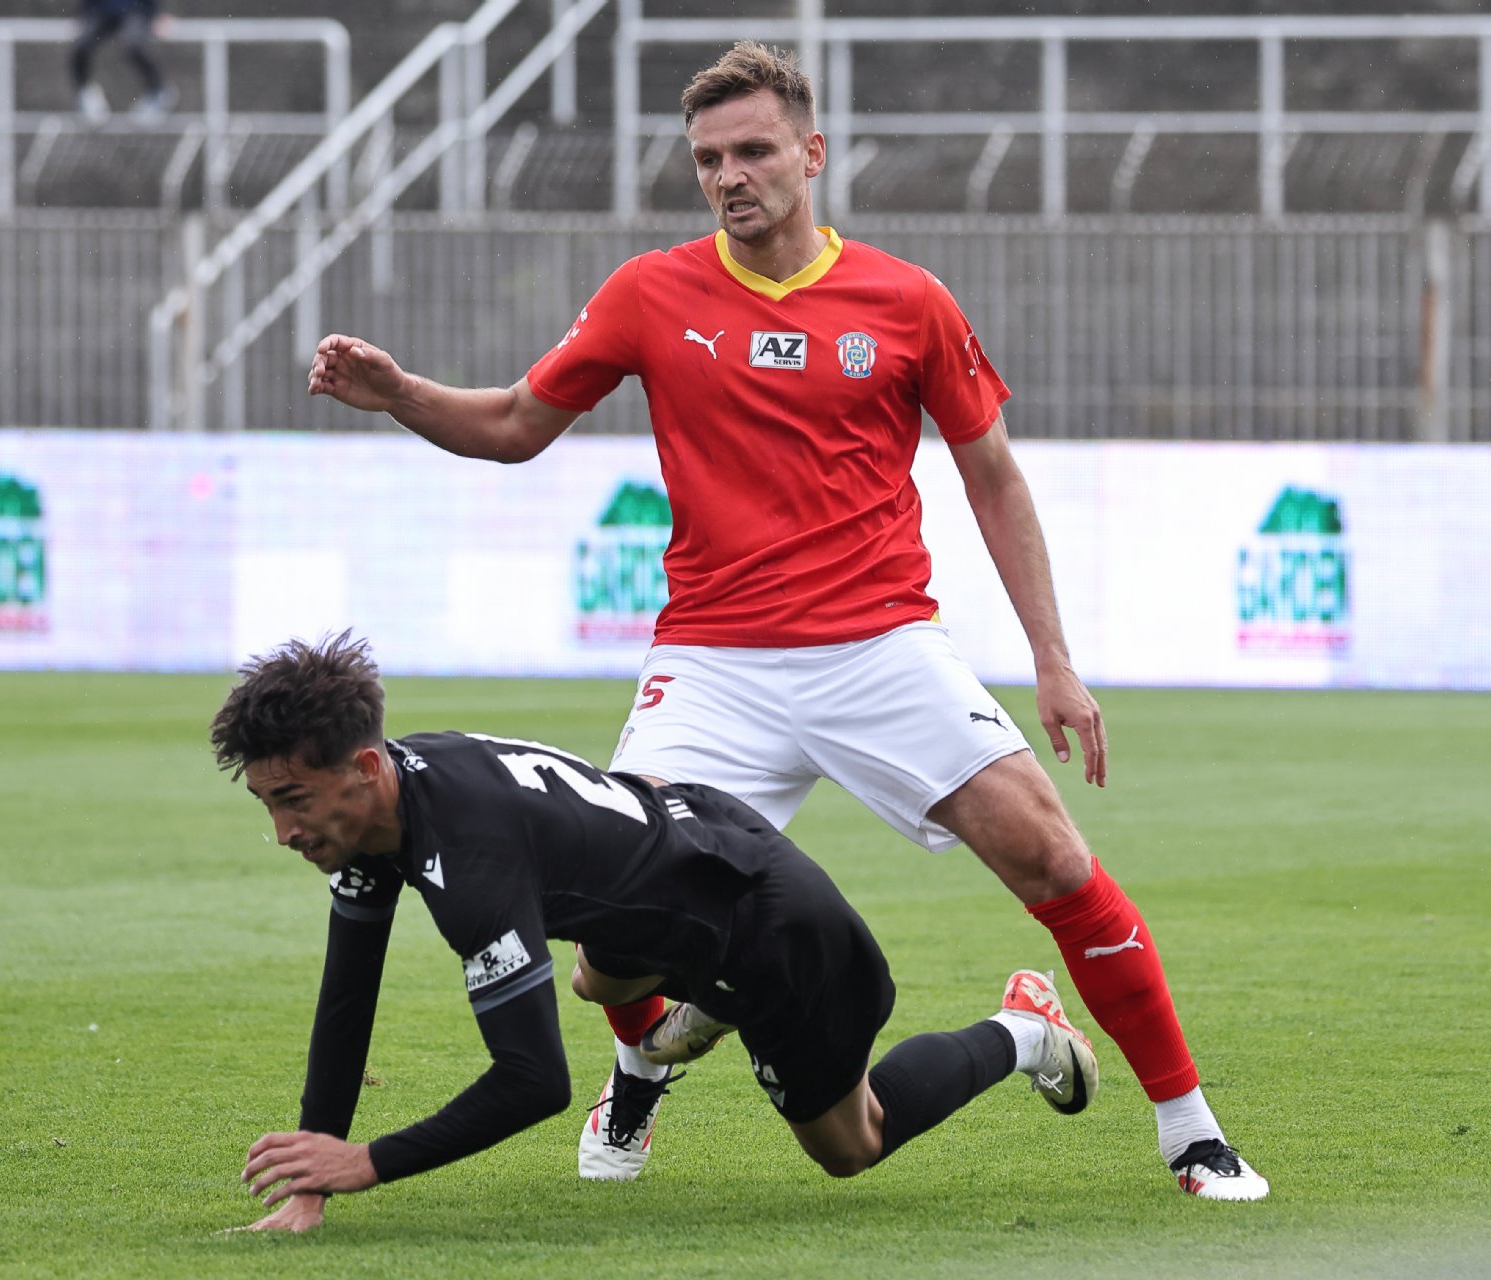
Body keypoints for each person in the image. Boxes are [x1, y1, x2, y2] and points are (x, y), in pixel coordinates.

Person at [303, 41, 1266, 1202]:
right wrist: (400, 394)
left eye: (753, 150)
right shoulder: (650, 293)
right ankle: (639, 1072)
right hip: (712, 663)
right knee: (611, 959)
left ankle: (1191, 1131)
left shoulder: (907, 301)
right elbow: (513, 423)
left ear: (811, 154)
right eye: (708, 159)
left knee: (1052, 852)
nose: (729, 176)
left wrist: (1053, 660)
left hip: (881, 646)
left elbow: (993, 477)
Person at [215, 632, 1099, 1233]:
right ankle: (675, 1033)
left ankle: (1023, 1030)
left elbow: (532, 1082)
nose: (285, 832)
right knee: (596, 975)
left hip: (772, 932)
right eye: (267, 806)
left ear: (364, 768)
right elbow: (347, 995)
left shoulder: (469, 858)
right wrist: (309, 1182)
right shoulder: (393, 798)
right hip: (688, 859)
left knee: (851, 1144)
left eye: (293, 801)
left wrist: (364, 1163)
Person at [70, 0, 175, 126]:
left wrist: (158, 14)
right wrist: (83, 15)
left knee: (134, 45)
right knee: (82, 46)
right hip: (103, 12)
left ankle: (158, 92)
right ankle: (85, 91)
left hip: (136, 11)